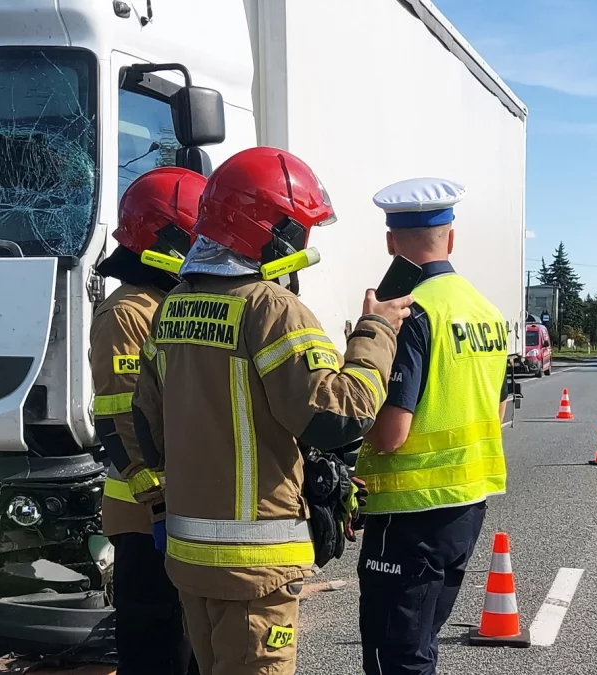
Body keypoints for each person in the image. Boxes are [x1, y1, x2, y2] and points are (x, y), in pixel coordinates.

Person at [131, 147, 413, 675]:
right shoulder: (270, 308)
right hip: (255, 568)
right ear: (270, 230)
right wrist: (377, 331)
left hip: (190, 557)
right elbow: (340, 417)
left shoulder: (173, 306)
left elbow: (146, 427)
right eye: (300, 230)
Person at [356, 177, 511, 675]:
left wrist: (364, 358)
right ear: (451, 237)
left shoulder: (409, 313)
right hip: (466, 507)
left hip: (408, 513)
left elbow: (389, 434)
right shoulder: (486, 311)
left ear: (389, 242)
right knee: (421, 644)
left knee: (394, 657)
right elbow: (499, 406)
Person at [91, 166, 207, 675]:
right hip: (146, 520)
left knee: (188, 649)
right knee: (155, 651)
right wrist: (159, 502)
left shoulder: (170, 302)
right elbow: (121, 417)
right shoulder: (129, 312)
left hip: (180, 511)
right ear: (166, 239)